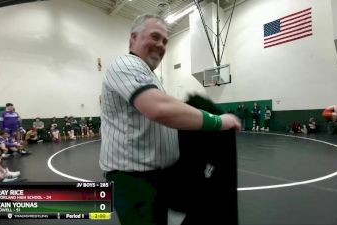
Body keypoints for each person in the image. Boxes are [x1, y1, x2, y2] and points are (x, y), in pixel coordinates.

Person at [100, 14, 241, 225]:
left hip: (157, 176)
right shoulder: (126, 64)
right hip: (134, 180)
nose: (160, 45)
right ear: (134, 38)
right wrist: (218, 122)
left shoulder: (150, 76)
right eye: (155, 37)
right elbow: (158, 108)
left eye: (165, 41)